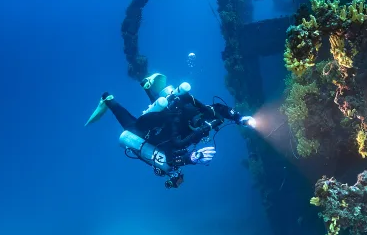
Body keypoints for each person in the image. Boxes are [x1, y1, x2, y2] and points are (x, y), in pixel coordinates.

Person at [85, 72, 255, 189]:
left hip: (162, 116)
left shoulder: (198, 112)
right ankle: (107, 100)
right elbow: (170, 158)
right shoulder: (174, 132)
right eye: (196, 123)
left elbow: (219, 109)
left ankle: (146, 87)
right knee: (131, 126)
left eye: (200, 119)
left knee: (162, 108)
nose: (201, 124)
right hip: (148, 134)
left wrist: (239, 118)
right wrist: (191, 158)